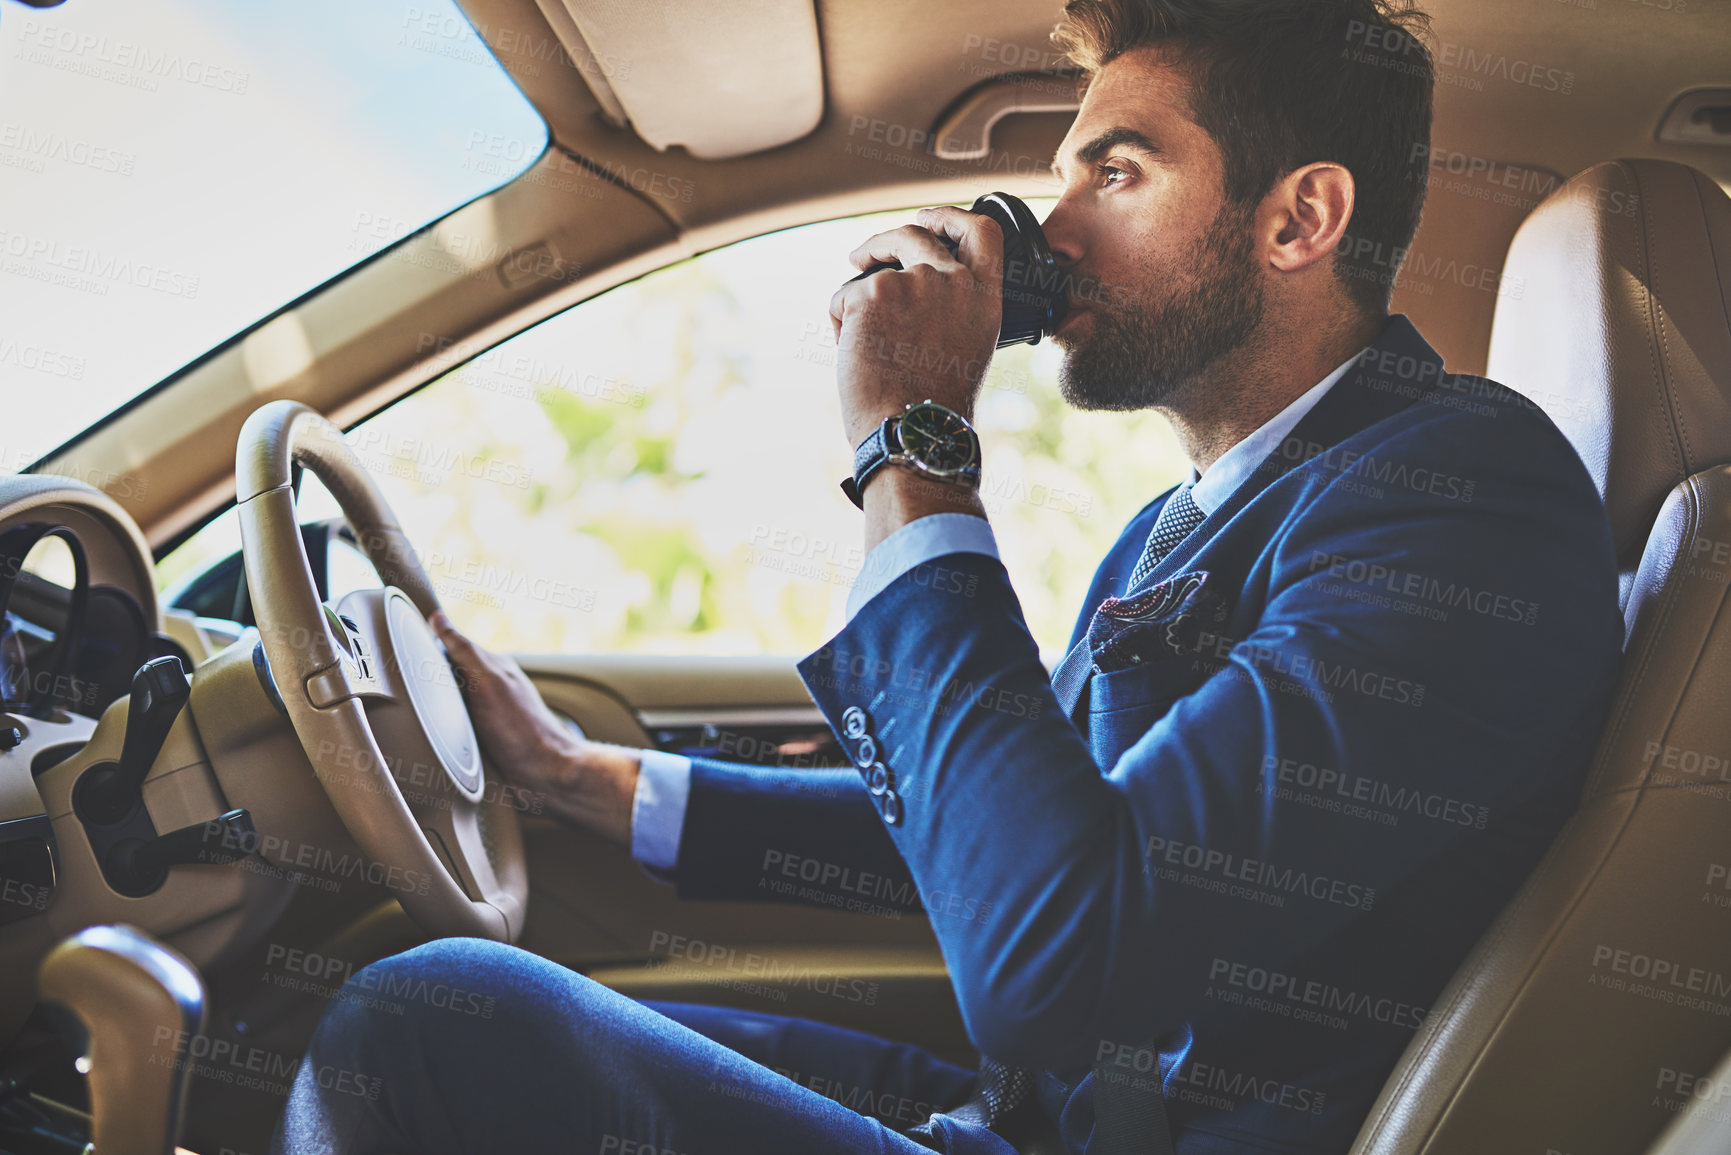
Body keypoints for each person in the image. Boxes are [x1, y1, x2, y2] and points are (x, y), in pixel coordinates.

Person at [273, 1, 1623, 1152]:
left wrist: (912, 446)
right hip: (1039, 1120)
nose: (1057, 227)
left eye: (1119, 173)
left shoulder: (1461, 505)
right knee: (486, 999)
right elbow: (1010, 845)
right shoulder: (1189, 519)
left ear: (1299, 219)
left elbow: (1060, 957)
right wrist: (590, 781)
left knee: (420, 1026)